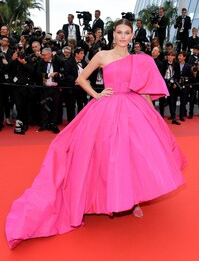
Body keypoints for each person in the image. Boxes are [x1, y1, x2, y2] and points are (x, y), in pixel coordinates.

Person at [5, 19, 187, 249]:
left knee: (134, 155)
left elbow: (143, 91)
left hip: (133, 109)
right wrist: (97, 94)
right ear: (114, 34)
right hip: (108, 109)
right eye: (119, 32)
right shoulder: (102, 55)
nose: (123, 36)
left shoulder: (139, 60)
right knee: (108, 154)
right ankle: (111, 196)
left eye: (127, 33)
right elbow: (82, 79)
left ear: (132, 36)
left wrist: (153, 116)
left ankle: (134, 200)